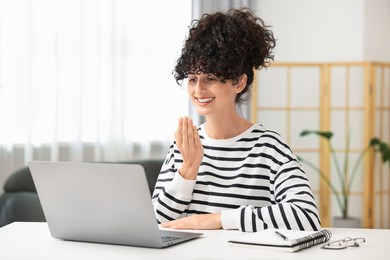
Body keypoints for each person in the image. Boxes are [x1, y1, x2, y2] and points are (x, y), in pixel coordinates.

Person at [152, 8, 321, 232]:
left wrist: (219, 220)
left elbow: (306, 217)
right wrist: (188, 169)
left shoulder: (269, 148)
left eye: (210, 78)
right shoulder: (184, 146)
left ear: (239, 83)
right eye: (192, 79)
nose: (198, 89)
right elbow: (155, 221)